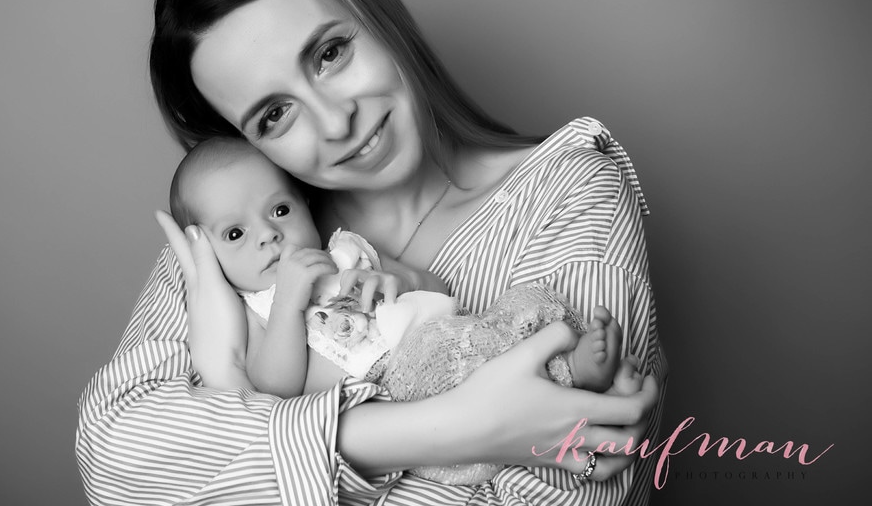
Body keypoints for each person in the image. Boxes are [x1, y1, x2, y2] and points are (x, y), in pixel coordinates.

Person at [76, 0, 667, 506]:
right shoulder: (242, 237)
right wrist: (449, 428)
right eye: (274, 115)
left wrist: (254, 453)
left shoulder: (567, 192)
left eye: (330, 53)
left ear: (377, 12)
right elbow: (118, 457)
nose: (336, 122)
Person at [166, 135, 637, 486]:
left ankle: (568, 359)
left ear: (304, 204)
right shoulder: (255, 309)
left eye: (280, 210)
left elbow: (438, 288)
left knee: (523, 303)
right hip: (395, 388)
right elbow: (276, 387)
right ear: (207, 254)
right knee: (471, 364)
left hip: (449, 333)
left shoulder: (347, 249)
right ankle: (573, 375)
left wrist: (403, 281)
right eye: (235, 234)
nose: (269, 234)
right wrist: (289, 301)